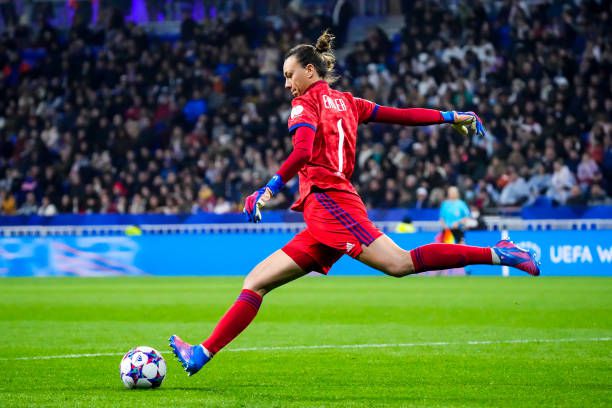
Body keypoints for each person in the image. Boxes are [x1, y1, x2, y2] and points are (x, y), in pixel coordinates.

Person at [169, 31, 540, 376]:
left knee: (399, 263)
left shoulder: (304, 105)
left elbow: (301, 150)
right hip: (323, 213)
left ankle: (498, 252)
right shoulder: (349, 102)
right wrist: (449, 116)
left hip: (332, 205)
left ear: (310, 71)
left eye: (289, 74)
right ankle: (202, 353)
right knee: (256, 282)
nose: (286, 85)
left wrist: (268, 189)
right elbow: (401, 116)